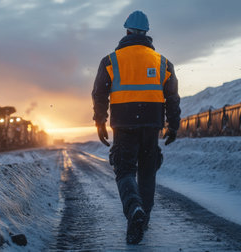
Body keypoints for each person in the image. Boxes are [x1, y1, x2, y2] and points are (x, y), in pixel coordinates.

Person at [91, 10, 181, 244]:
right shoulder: (163, 62)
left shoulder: (110, 60)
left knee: (125, 169)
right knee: (148, 170)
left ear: (127, 31)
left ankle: (134, 211)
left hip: (124, 124)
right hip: (152, 125)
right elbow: (172, 97)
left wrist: (100, 121)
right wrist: (173, 125)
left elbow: (99, 93)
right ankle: (144, 219)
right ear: (147, 33)